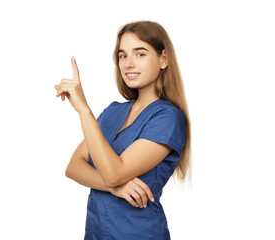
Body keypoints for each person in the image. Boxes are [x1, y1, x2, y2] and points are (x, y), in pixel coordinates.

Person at [54, 20, 191, 240]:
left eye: (140, 54)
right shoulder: (112, 112)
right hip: (96, 232)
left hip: (138, 233)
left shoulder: (168, 117)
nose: (128, 64)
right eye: (122, 55)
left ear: (163, 59)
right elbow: (73, 168)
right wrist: (115, 188)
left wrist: (84, 110)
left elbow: (114, 173)